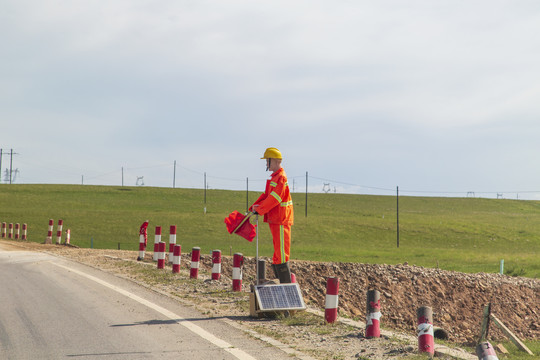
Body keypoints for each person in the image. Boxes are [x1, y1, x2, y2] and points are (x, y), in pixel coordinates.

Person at [250, 147, 294, 283]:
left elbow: (275, 198)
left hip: (281, 219)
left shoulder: (280, 177)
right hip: (275, 219)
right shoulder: (275, 177)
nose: (266, 164)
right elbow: (267, 196)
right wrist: (255, 206)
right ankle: (281, 284)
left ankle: (286, 286)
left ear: (273, 161)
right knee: (277, 253)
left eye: (267, 161)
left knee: (281, 254)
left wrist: (260, 209)